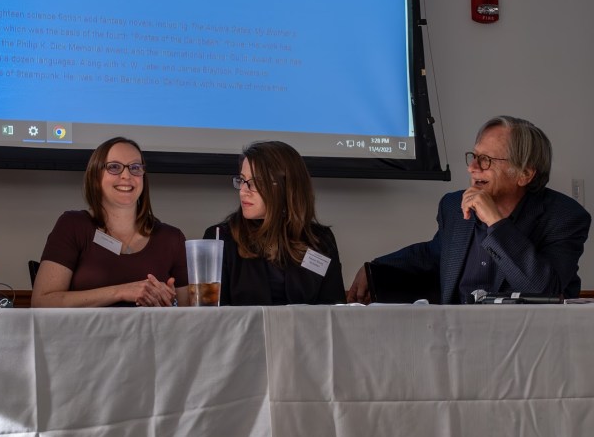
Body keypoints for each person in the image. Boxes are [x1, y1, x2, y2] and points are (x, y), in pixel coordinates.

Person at [348, 116, 591, 304]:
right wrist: (373, 270)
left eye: (486, 160)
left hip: (526, 346)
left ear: (525, 174)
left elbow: (546, 291)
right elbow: (434, 255)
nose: (472, 168)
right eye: (474, 157)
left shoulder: (565, 217)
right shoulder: (454, 206)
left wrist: (495, 223)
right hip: (455, 340)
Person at [32, 137, 189, 307]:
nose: (126, 175)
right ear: (95, 177)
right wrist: (121, 292)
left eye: (135, 168)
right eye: (114, 167)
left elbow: (190, 315)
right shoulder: (73, 225)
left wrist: (170, 304)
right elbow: (42, 303)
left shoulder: (172, 238)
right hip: (84, 334)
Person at [202, 141, 345, 305]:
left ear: (286, 187)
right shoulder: (220, 238)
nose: (243, 191)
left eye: (256, 182)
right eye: (242, 180)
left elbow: (334, 311)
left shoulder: (319, 240)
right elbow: (213, 316)